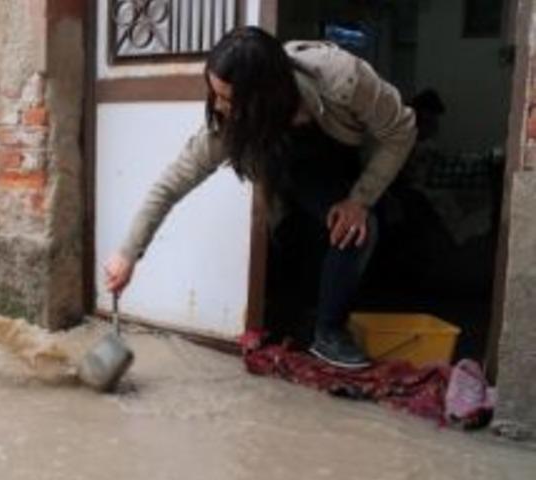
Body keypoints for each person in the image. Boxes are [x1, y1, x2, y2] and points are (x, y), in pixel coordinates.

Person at [103, 27, 416, 369]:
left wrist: (360, 199)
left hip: (346, 155)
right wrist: (127, 254)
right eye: (215, 94)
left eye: (229, 99)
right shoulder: (229, 124)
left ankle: (329, 333)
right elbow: (171, 184)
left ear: (267, 95)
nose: (219, 108)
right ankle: (297, 325)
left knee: (358, 227)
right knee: (294, 240)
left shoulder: (343, 77)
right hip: (290, 165)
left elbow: (401, 131)